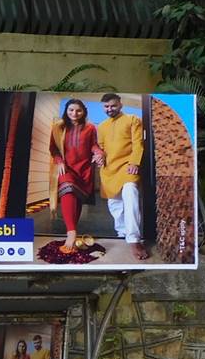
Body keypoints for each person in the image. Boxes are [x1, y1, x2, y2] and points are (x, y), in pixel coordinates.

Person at [97, 93, 147, 260]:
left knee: (130, 193)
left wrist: (134, 163)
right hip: (109, 169)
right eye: (106, 107)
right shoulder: (102, 126)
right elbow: (101, 147)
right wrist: (99, 157)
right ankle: (121, 233)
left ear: (120, 104)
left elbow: (138, 143)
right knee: (115, 204)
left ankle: (134, 239)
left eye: (113, 105)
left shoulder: (132, 119)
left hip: (128, 166)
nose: (110, 109)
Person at [50, 98, 104, 252]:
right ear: (66, 111)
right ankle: (71, 233)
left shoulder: (90, 128)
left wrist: (98, 153)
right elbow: (53, 148)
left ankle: (73, 231)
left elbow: (94, 145)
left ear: (83, 112)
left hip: (84, 169)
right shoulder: (57, 128)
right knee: (68, 189)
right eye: (71, 110)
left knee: (77, 199)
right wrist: (59, 161)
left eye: (78, 110)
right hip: (66, 168)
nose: (75, 113)